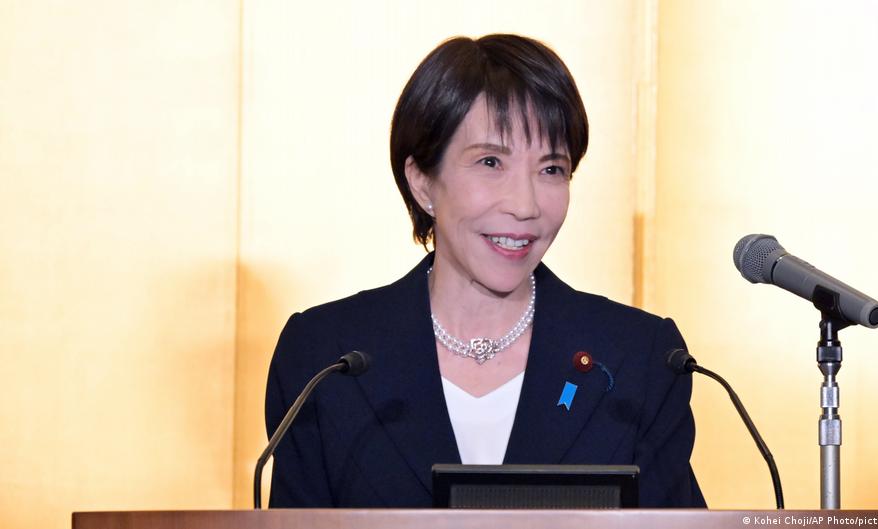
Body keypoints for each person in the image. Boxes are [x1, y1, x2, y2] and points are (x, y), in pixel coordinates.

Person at [264, 33, 706, 508]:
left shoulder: (639, 358)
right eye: (491, 162)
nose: (525, 205)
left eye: (551, 169)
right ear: (422, 182)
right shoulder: (324, 358)